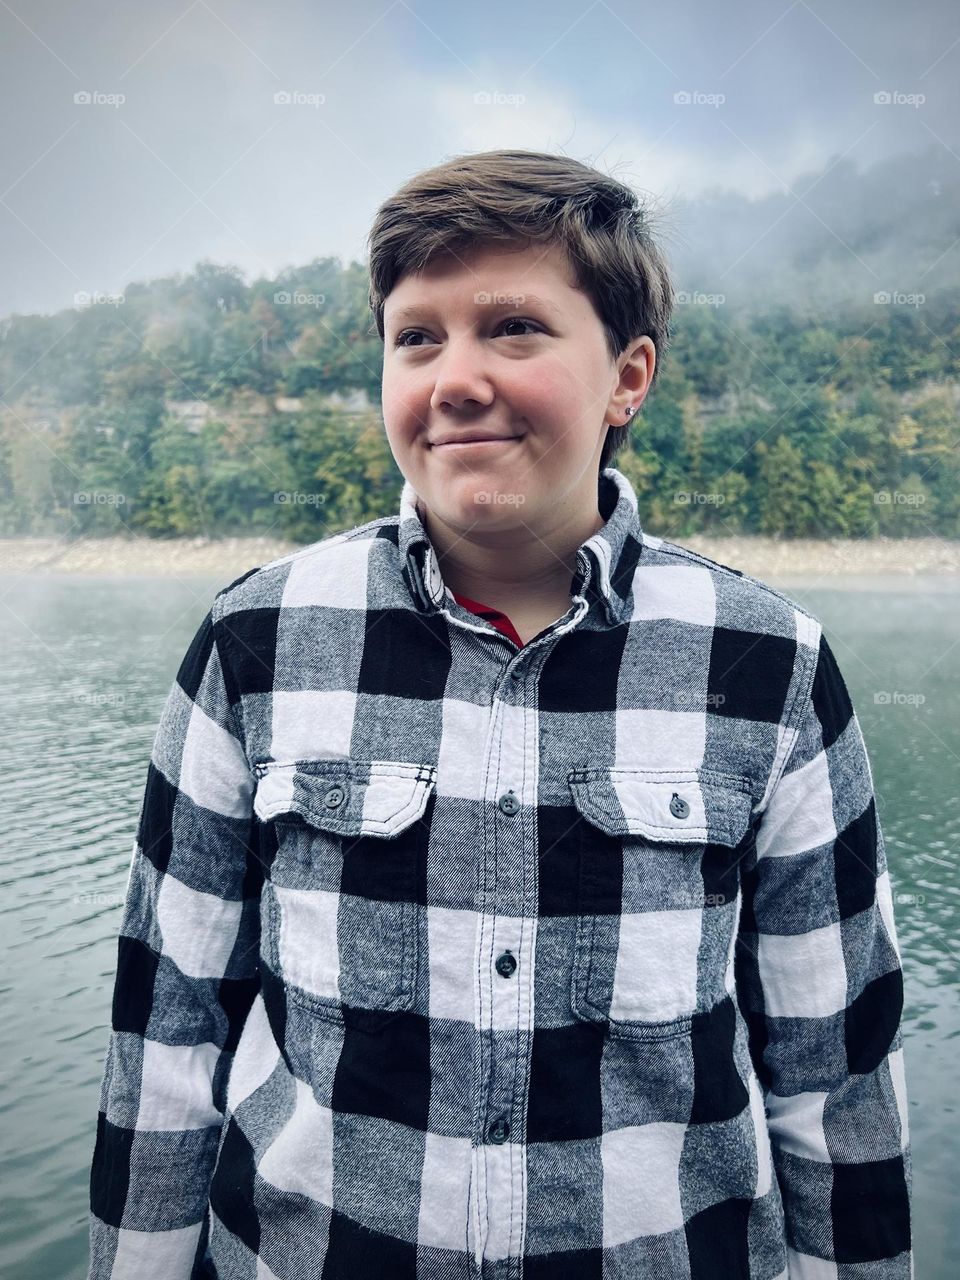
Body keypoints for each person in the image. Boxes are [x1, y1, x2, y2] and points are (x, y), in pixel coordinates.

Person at [87, 149, 913, 1279]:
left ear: (629, 375)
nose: (455, 375)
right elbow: (167, 1043)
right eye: (416, 335)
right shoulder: (257, 641)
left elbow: (838, 1077)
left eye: (513, 326)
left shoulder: (768, 662)